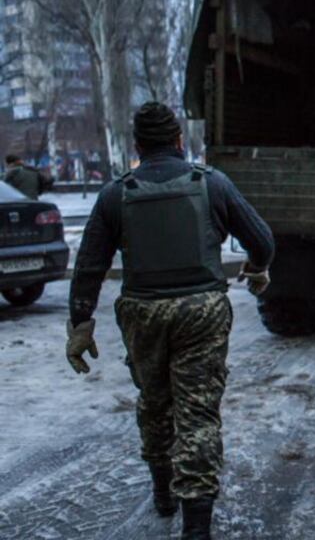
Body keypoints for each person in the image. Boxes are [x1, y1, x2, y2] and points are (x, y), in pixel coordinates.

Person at [65, 102, 275, 539]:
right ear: (180, 142)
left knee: (155, 402)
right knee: (197, 415)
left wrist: (81, 323)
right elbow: (262, 240)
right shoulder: (211, 184)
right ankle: (196, 527)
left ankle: (163, 491)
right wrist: (257, 268)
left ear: (137, 146)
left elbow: (89, 265)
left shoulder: (114, 194)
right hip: (201, 312)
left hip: (143, 314)